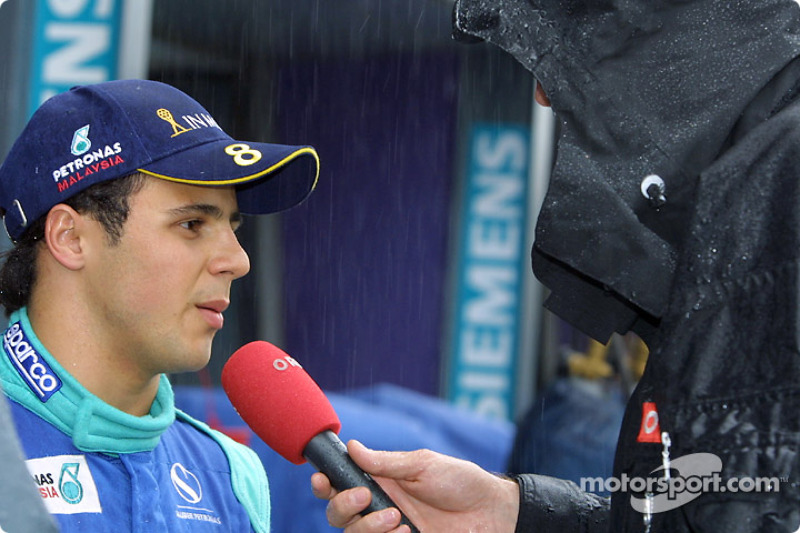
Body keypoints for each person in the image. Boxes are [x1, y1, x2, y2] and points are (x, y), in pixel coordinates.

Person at [313, 0, 800, 531]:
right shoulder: (747, 202)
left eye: (577, 55)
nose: (544, 97)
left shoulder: (780, 186)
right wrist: (512, 516)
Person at [0, 79, 319, 531]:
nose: (238, 261)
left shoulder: (230, 475)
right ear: (70, 238)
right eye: (192, 224)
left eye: (233, 227)